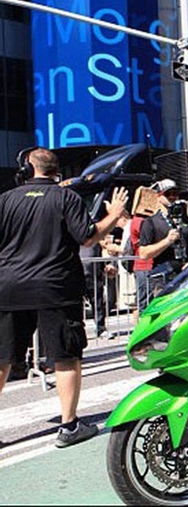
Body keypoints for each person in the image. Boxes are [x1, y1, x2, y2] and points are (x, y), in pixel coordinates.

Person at [0, 148, 128, 448]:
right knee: (66, 356)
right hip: (55, 287)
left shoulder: (5, 200)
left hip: (10, 287)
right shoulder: (65, 198)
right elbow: (88, 237)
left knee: (2, 358)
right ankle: (69, 426)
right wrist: (114, 214)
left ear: (27, 169)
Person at [138, 180, 188, 303]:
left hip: (186, 273)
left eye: (175, 193)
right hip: (163, 275)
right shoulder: (150, 222)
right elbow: (143, 254)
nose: (172, 197)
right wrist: (167, 241)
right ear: (159, 196)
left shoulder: (187, 221)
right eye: (168, 194)